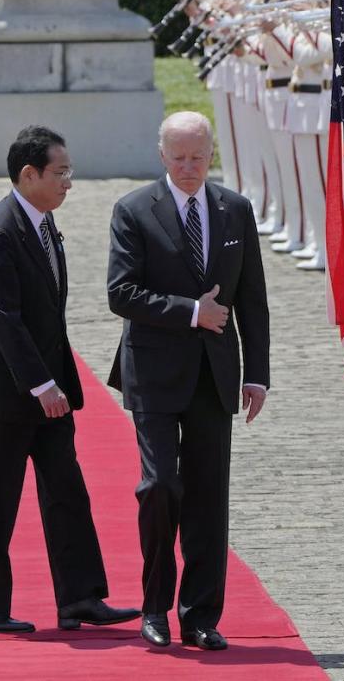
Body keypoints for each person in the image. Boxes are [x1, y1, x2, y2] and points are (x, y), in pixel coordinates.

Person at [0, 126, 139, 634]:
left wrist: (57, 382)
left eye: (68, 172)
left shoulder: (43, 222)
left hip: (50, 390)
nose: (68, 182)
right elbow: (2, 319)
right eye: (60, 173)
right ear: (28, 174)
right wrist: (41, 384)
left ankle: (80, 598)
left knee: (67, 491)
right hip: (11, 391)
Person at [107, 111, 270, 650]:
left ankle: (200, 615)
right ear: (161, 155)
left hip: (213, 376)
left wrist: (259, 375)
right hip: (153, 372)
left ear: (211, 153)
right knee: (160, 487)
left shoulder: (235, 210)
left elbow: (252, 299)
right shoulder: (134, 210)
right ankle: (154, 607)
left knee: (207, 497)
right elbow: (121, 293)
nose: (187, 167)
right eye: (177, 157)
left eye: (197, 156)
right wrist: (188, 312)